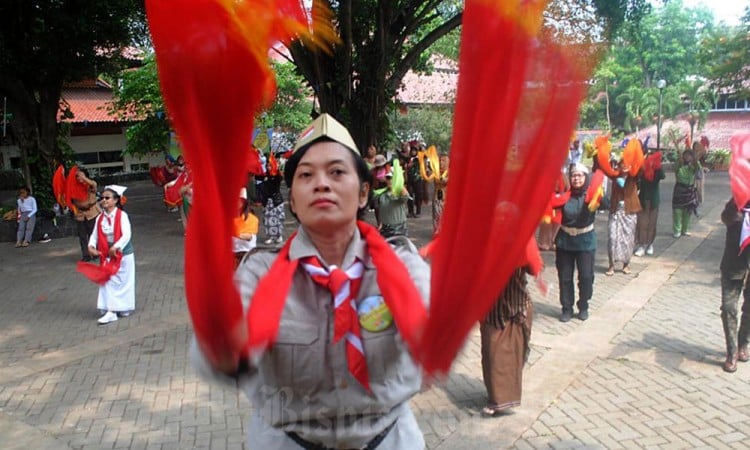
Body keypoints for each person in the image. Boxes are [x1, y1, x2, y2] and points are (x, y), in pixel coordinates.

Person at [190, 113, 430, 449]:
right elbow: (212, 356)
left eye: (336, 172)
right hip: (288, 440)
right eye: (306, 175)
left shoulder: (402, 264)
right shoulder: (259, 273)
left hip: (388, 438)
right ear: (293, 201)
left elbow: (434, 330)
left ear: (363, 194)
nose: (321, 183)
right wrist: (225, 346)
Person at [480, 265, 534, 417]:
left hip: (516, 307)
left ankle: (500, 398)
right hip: (492, 309)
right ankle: (495, 397)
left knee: (513, 355)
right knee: (492, 355)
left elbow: (535, 268)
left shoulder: (521, 246)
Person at [87, 185, 135, 324]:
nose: (104, 200)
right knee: (108, 280)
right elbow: (95, 234)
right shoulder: (100, 217)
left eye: (107, 198)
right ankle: (111, 310)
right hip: (106, 253)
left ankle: (123, 307)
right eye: (102, 198)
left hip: (123, 254)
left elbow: (127, 234)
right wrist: (91, 245)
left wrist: (117, 246)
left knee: (124, 281)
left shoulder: (122, 216)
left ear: (115, 200)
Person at [555, 163, 597, 322]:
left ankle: (583, 304)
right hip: (565, 241)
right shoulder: (565, 196)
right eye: (574, 175)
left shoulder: (591, 195)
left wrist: (598, 196)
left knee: (586, 276)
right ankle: (566, 307)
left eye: (580, 175)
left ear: (585, 177)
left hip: (585, 241)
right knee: (565, 277)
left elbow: (605, 203)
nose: (576, 178)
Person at [719, 199, 750, 373]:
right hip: (733, 264)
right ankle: (732, 353)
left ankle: (743, 343)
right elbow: (725, 217)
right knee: (728, 307)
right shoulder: (736, 203)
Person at [605, 160, 641, 276]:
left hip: (629, 211)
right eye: (622, 164)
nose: (625, 166)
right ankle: (611, 265)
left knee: (628, 239)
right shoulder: (615, 176)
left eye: (627, 164)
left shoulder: (633, 177)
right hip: (616, 210)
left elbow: (641, 170)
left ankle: (626, 264)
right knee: (612, 237)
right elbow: (603, 168)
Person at [634, 148, 665, 256]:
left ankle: (650, 244)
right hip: (642, 199)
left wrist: (657, 166)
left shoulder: (657, 170)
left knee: (652, 222)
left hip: (653, 200)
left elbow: (662, 176)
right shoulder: (641, 168)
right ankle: (641, 244)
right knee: (641, 223)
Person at [71, 168, 101, 261]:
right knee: (82, 236)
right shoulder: (73, 187)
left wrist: (84, 179)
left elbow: (94, 185)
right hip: (80, 214)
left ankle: (95, 253)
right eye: (77, 176)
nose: (79, 178)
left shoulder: (89, 185)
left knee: (93, 234)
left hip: (92, 212)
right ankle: (86, 255)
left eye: (81, 175)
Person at [672, 148, 700, 238]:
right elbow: (676, 168)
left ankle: (685, 229)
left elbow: (698, 167)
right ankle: (677, 230)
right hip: (679, 189)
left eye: (689, 155)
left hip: (689, 190)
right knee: (677, 211)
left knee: (688, 211)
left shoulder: (693, 165)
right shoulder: (679, 163)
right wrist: (679, 161)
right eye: (686, 155)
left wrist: (695, 159)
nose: (687, 157)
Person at [375, 168, 410, 238]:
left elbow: (406, 196)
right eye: (388, 178)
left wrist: (399, 181)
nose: (390, 180)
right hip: (385, 229)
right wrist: (380, 224)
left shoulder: (400, 193)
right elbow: (381, 210)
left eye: (393, 178)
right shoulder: (382, 194)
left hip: (399, 229)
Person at [233, 188, 259, 267]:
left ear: (245, 202)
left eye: (239, 199)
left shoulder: (251, 219)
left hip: (246, 255)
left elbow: (249, 236)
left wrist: (233, 232)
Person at [262, 156, 285, 245]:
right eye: (267, 166)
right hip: (267, 202)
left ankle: (279, 236)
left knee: (278, 219)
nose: (268, 167)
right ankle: (270, 237)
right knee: (267, 220)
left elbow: (279, 179)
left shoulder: (277, 177)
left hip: (276, 201)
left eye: (270, 166)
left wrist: (277, 169)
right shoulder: (265, 176)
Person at [406, 144, 426, 218]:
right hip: (410, 180)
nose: (413, 152)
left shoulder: (419, 158)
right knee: (409, 195)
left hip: (418, 179)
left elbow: (425, 155)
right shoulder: (408, 158)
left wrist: (421, 148)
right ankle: (410, 211)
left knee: (418, 195)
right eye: (412, 150)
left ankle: (418, 211)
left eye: (415, 150)